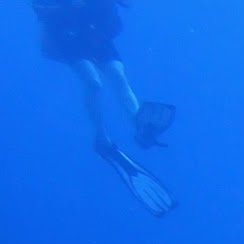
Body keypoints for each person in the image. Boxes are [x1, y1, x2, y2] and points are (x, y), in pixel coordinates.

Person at [31, 0, 177, 216]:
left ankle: (139, 126)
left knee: (119, 77)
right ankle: (102, 139)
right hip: (68, 35)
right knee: (93, 82)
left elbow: (116, 19)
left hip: (94, 33)